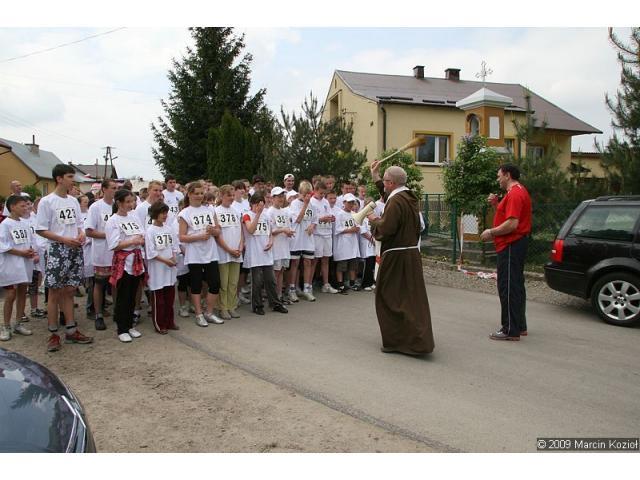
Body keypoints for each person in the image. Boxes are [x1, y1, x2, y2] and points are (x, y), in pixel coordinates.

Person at [367, 162, 434, 356]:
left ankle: (399, 342)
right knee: (410, 299)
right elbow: (387, 195)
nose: (384, 185)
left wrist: (373, 220)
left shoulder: (396, 201)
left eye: (385, 182)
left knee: (388, 296)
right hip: (410, 255)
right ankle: (417, 339)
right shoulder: (407, 197)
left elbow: (387, 228)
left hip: (397, 256)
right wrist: (376, 176)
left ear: (392, 183)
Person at [36, 164, 93, 353]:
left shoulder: (73, 201)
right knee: (54, 292)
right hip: (57, 250)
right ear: (59, 179)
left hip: (74, 249)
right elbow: (41, 229)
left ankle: (71, 330)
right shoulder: (47, 202)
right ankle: (53, 333)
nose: (73, 180)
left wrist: (81, 234)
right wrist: (63, 239)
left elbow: (79, 224)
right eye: (69, 176)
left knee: (69, 291)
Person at [480, 163, 532, 341]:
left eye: (499, 176)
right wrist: (496, 204)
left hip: (511, 245)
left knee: (508, 286)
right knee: (516, 285)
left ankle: (510, 329)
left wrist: (491, 232)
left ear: (507, 175)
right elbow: (506, 216)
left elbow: (512, 224)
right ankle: (519, 325)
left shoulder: (515, 194)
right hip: (514, 244)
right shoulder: (515, 192)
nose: (498, 179)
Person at [178, 181, 224, 327]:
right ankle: (199, 314)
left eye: (201, 193)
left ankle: (209, 312)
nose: (199, 196)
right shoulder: (185, 213)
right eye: (196, 193)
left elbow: (218, 230)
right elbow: (181, 237)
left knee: (215, 283)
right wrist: (198, 236)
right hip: (195, 254)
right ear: (189, 194)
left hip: (211, 253)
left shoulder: (210, 210)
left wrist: (213, 231)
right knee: (196, 285)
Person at [106, 189, 145, 343]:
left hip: (136, 260)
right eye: (127, 202)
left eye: (132, 201)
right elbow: (114, 244)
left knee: (133, 294)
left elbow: (142, 233)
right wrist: (132, 241)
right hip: (123, 262)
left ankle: (129, 325)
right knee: (123, 295)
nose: (131, 204)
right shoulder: (113, 221)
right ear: (119, 203)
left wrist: (138, 240)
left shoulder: (134, 216)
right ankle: (121, 328)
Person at [241, 192, 288, 315]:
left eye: (262, 205)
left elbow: (270, 232)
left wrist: (271, 242)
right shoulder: (246, 215)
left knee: (271, 280)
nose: (260, 207)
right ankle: (257, 305)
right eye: (258, 205)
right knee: (256, 282)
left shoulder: (266, 216)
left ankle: (275, 303)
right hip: (254, 253)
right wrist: (257, 214)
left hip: (266, 253)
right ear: (252, 204)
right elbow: (251, 230)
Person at [0, 195, 36, 341]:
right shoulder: (5, 224)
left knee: (22, 292)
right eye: (22, 206)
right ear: (12, 207)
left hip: (25, 263)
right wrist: (21, 253)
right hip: (11, 264)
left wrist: (31, 251)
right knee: (10, 294)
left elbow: (30, 241)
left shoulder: (25, 223)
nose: (26, 208)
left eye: (26, 205)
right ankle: (5, 326)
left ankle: (18, 323)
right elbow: (3, 245)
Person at [85, 179, 117, 330]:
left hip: (117, 252)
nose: (115, 191)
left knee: (116, 283)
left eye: (116, 188)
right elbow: (89, 231)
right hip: (102, 252)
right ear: (104, 189)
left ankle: (117, 311)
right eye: (112, 188)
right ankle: (98, 314)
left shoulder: (118, 205)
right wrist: (109, 235)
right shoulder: (96, 207)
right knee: (99, 284)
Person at [145, 202, 179, 334]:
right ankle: (160, 324)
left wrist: (174, 258)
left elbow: (174, 246)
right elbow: (151, 252)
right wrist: (166, 261)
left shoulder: (169, 229)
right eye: (162, 213)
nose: (165, 215)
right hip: (158, 269)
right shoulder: (150, 231)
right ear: (155, 214)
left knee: (169, 298)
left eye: (166, 213)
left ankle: (170, 321)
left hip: (169, 269)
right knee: (159, 300)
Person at [215, 184, 244, 320]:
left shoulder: (236, 211)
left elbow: (241, 232)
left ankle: (232, 306)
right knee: (223, 282)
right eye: (229, 195)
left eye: (233, 195)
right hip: (223, 252)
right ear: (221, 196)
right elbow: (217, 236)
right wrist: (228, 249)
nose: (232, 198)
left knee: (233, 282)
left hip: (236, 252)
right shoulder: (216, 212)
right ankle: (223, 307)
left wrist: (240, 247)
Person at [287, 180, 317, 302]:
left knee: (308, 262)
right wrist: (305, 204)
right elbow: (298, 219)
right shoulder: (294, 204)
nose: (307, 197)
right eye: (304, 194)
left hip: (308, 238)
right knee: (295, 263)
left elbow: (315, 219)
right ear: (300, 193)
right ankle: (292, 290)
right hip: (296, 237)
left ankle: (307, 289)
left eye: (309, 194)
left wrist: (313, 226)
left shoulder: (312, 205)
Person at [267, 186, 295, 304]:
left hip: (284, 246)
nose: (281, 198)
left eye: (282, 196)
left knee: (282, 270)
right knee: (276, 272)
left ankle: (279, 295)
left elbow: (287, 227)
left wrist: (288, 232)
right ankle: (274, 297)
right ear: (272, 198)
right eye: (278, 196)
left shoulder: (284, 212)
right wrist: (283, 230)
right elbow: (270, 231)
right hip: (276, 247)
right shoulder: (270, 212)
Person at [334, 193, 361, 293]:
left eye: (352, 203)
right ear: (344, 202)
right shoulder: (339, 214)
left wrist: (356, 229)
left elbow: (358, 227)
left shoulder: (354, 214)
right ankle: (340, 284)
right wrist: (350, 230)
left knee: (353, 265)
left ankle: (352, 283)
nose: (351, 204)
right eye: (349, 202)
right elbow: (337, 229)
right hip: (343, 243)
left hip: (353, 243)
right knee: (342, 265)